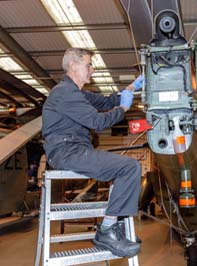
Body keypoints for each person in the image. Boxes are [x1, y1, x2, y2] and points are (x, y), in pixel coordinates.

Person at [42, 47, 144, 258]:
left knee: (127, 168)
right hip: (65, 151)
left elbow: (107, 101)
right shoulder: (63, 93)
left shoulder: (78, 93)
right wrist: (123, 109)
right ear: (73, 65)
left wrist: (132, 87)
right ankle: (107, 230)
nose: (92, 70)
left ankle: (117, 227)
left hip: (77, 148)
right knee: (129, 167)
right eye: (88, 65)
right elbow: (98, 122)